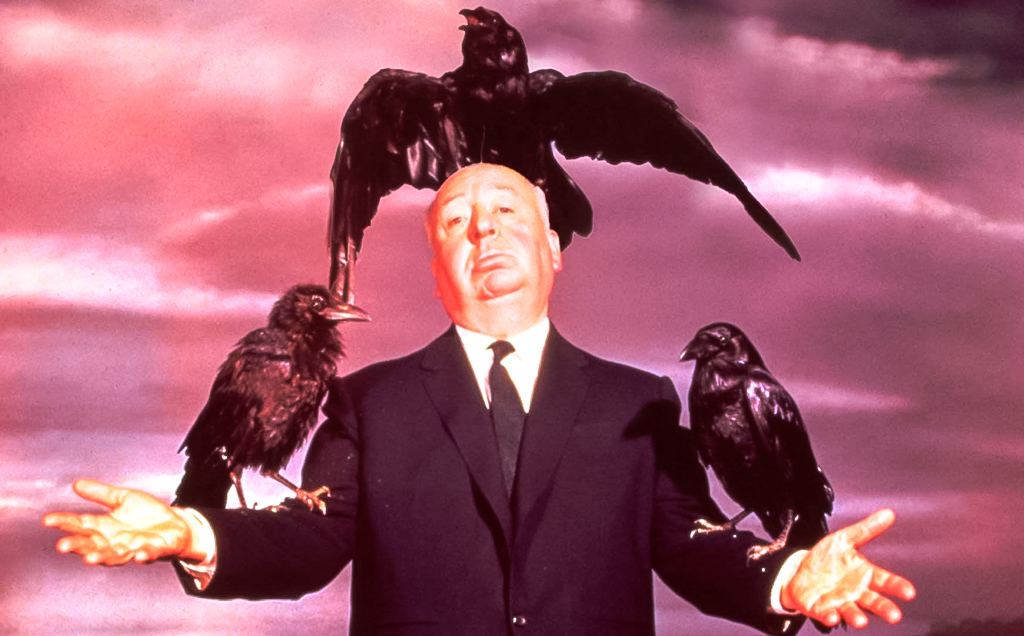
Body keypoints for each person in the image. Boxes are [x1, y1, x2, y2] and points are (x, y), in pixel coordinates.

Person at [43, 163, 915, 635]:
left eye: (507, 212)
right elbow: (309, 539)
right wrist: (193, 531)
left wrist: (789, 574)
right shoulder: (366, 402)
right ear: (436, 271)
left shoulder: (642, 403)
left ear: (555, 250)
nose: (484, 228)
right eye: (457, 221)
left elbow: (695, 546)